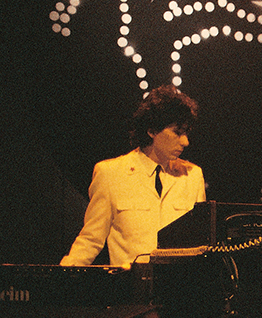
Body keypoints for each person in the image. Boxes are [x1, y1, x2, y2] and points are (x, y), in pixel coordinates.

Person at [61, 84, 205, 268]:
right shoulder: (111, 174)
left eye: (186, 133)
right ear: (152, 130)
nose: (185, 142)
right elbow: (91, 239)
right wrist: (60, 279)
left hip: (177, 291)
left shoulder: (192, 176)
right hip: (130, 291)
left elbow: (201, 245)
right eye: (177, 132)